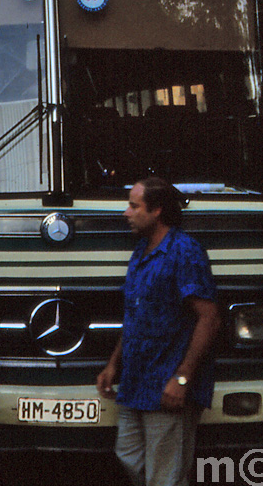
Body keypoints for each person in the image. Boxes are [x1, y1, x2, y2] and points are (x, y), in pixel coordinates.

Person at [96, 177, 221, 486]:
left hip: (167, 385)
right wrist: (114, 363)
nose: (126, 212)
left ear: (157, 211)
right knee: (129, 456)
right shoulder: (140, 252)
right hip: (135, 381)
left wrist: (182, 379)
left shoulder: (184, 251)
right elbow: (136, 315)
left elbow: (210, 318)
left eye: (133, 206)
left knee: (164, 476)